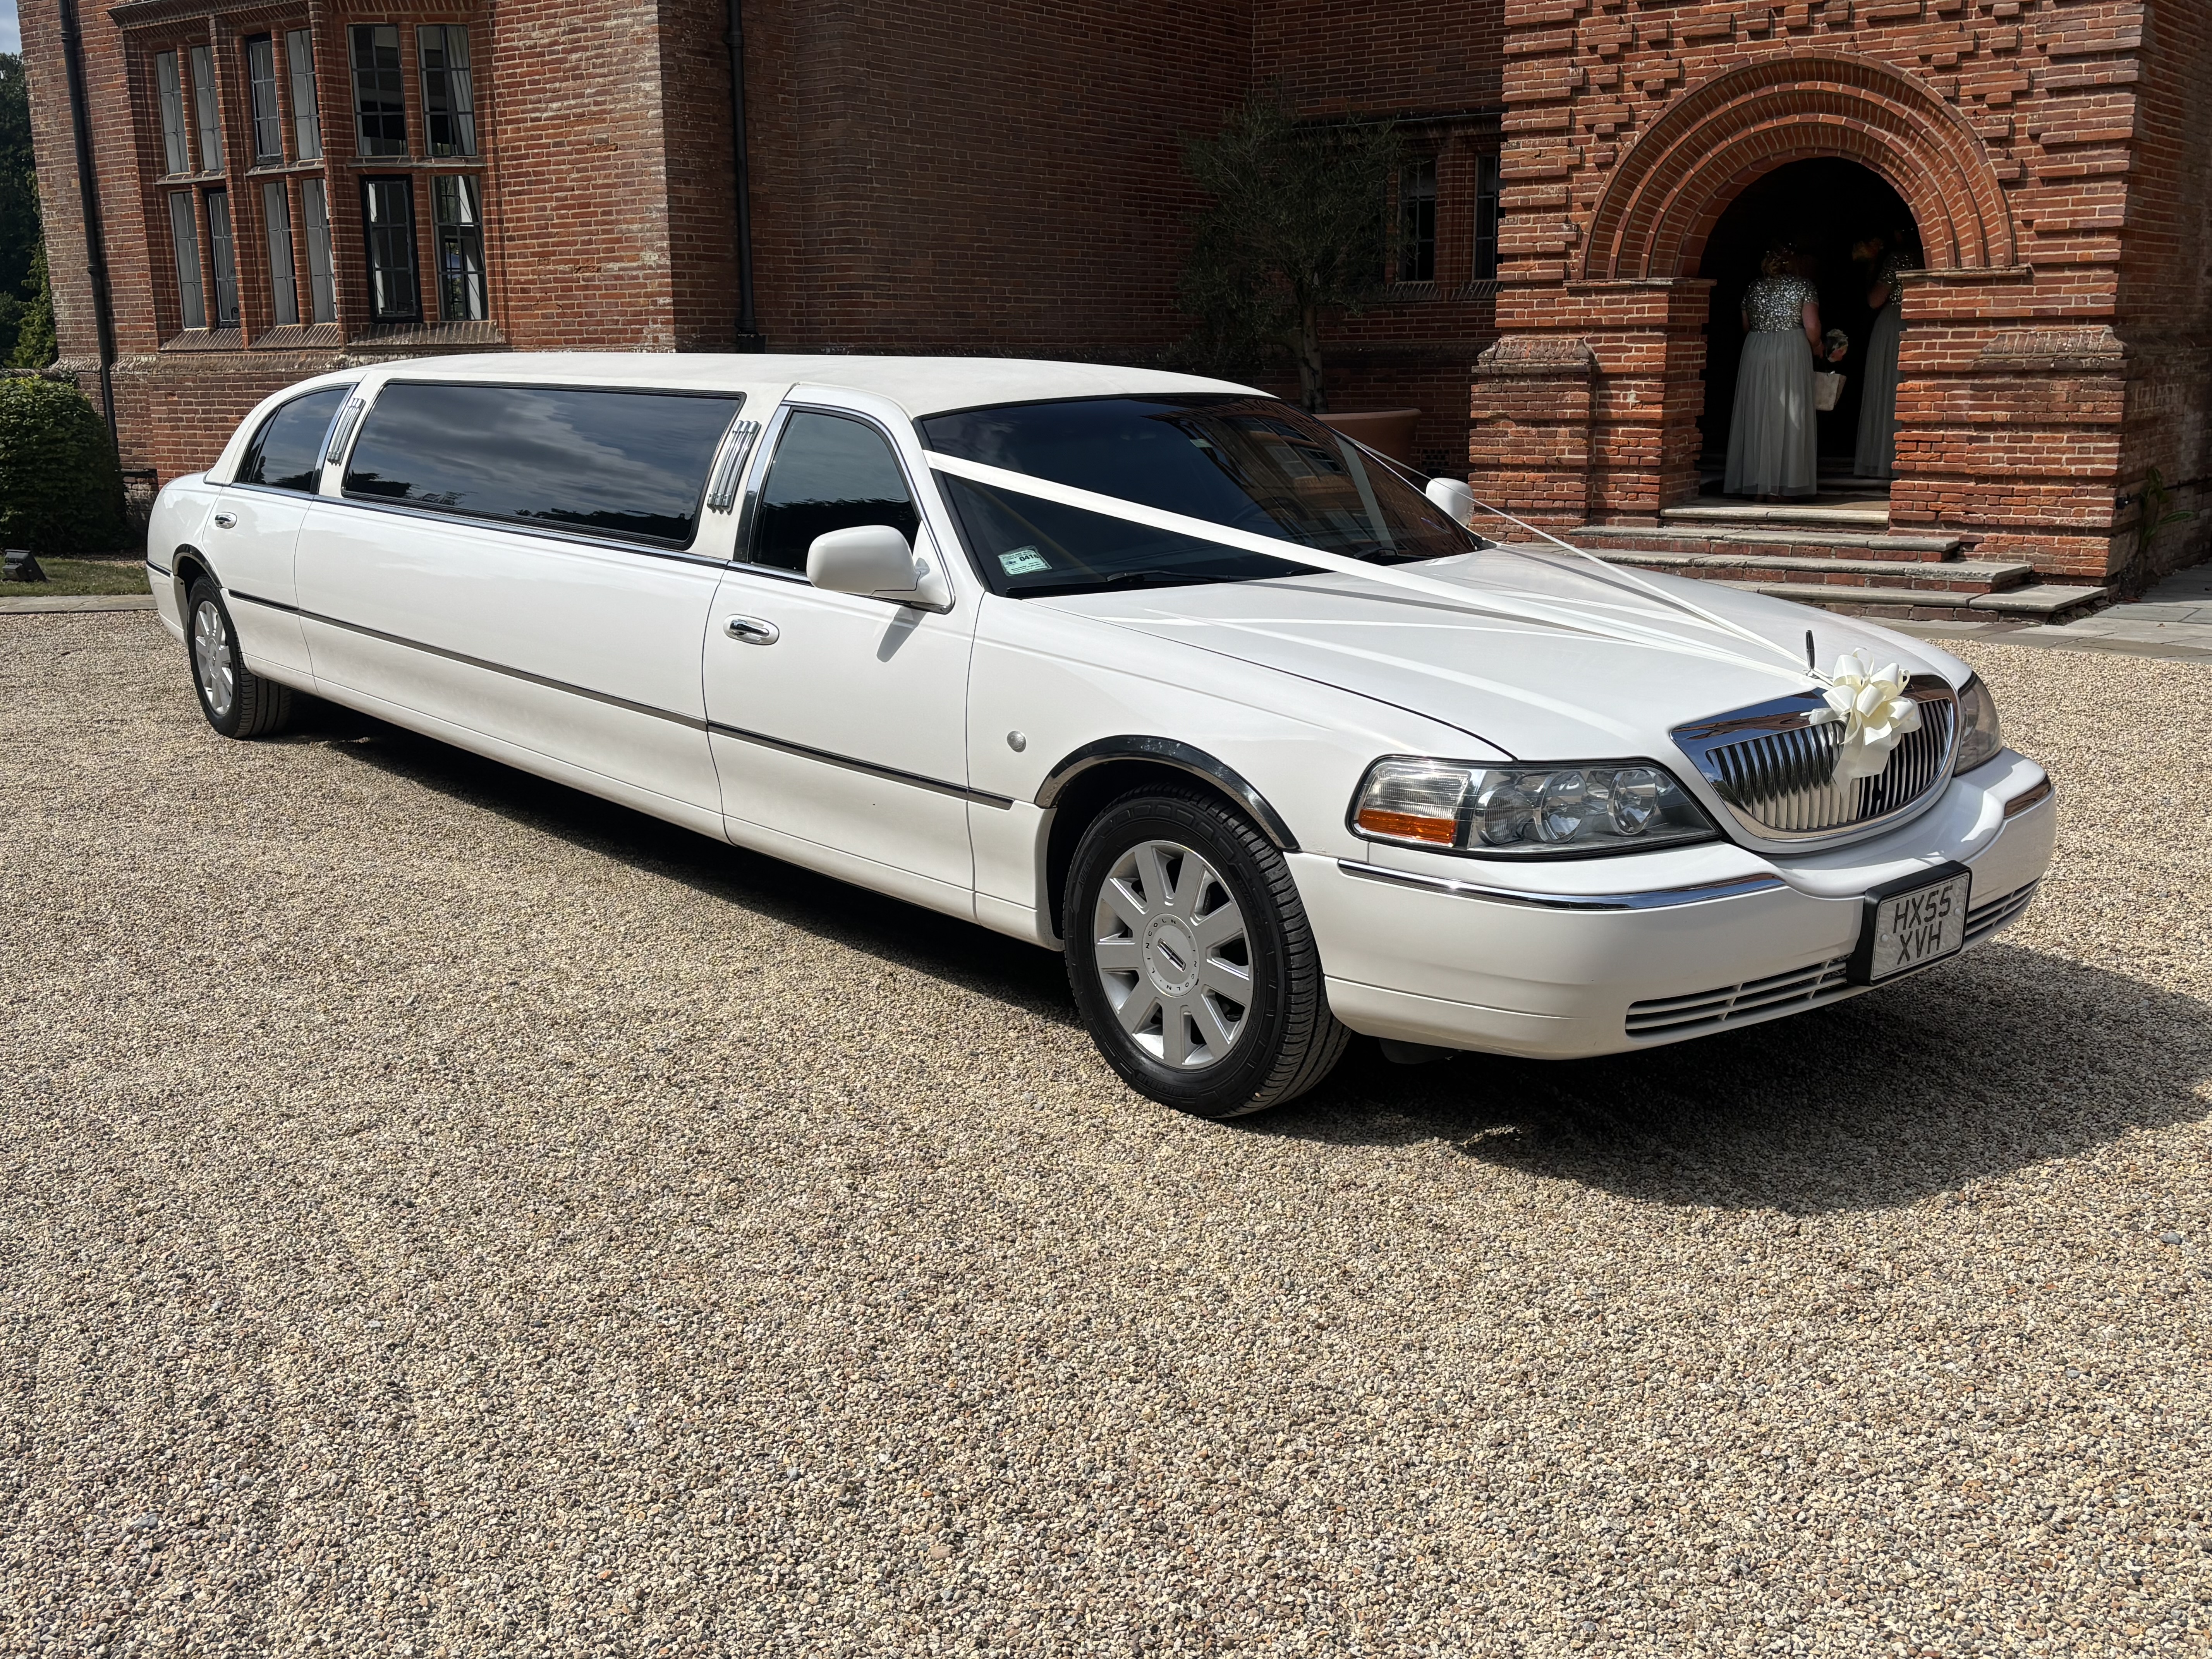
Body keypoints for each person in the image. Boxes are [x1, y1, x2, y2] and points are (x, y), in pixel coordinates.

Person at [1725, 246, 1844, 500]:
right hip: (1791, 348)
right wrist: (1817, 346)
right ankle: (1784, 484)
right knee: (1791, 409)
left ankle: (1759, 484)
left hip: (1756, 348)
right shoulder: (1804, 286)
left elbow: (1746, 325)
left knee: (1759, 412)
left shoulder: (1754, 287)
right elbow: (1812, 326)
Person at [1854, 227, 1920, 479]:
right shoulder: (1925, 256)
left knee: (1889, 386)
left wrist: (1870, 269)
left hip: (1895, 323)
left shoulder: (1898, 258)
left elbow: (1874, 300)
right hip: (1917, 322)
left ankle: (1885, 457)